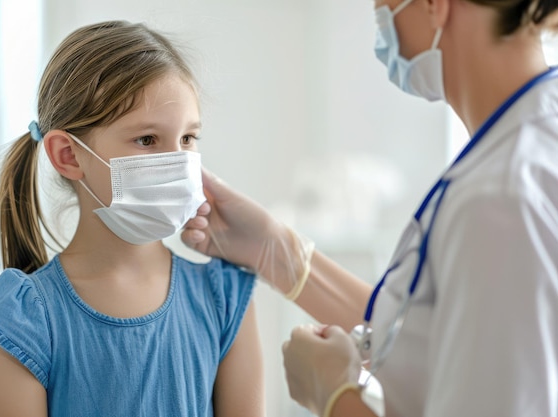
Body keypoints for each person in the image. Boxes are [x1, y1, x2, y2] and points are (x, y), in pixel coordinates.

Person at [181, 0, 558, 416]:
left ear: (436, 5)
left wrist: (335, 397)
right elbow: (420, 332)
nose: (377, 12)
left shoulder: (501, 197)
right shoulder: (516, 152)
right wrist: (274, 250)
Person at [0, 20, 264, 417]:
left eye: (188, 139)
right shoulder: (24, 317)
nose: (176, 161)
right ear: (69, 156)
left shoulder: (225, 298)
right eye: (147, 140)